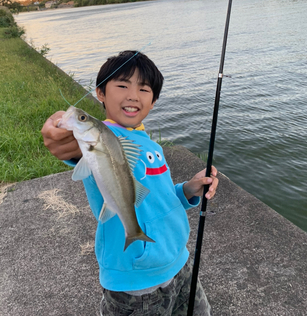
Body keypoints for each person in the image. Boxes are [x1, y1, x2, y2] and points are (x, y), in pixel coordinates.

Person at [41, 50, 219, 316]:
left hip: (179, 262)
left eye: (144, 89)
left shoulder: (151, 144)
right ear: (100, 93)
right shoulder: (101, 136)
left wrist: (187, 190)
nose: (133, 95)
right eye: (122, 85)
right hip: (136, 283)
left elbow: (158, 197)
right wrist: (62, 132)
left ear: (154, 101)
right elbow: (68, 142)